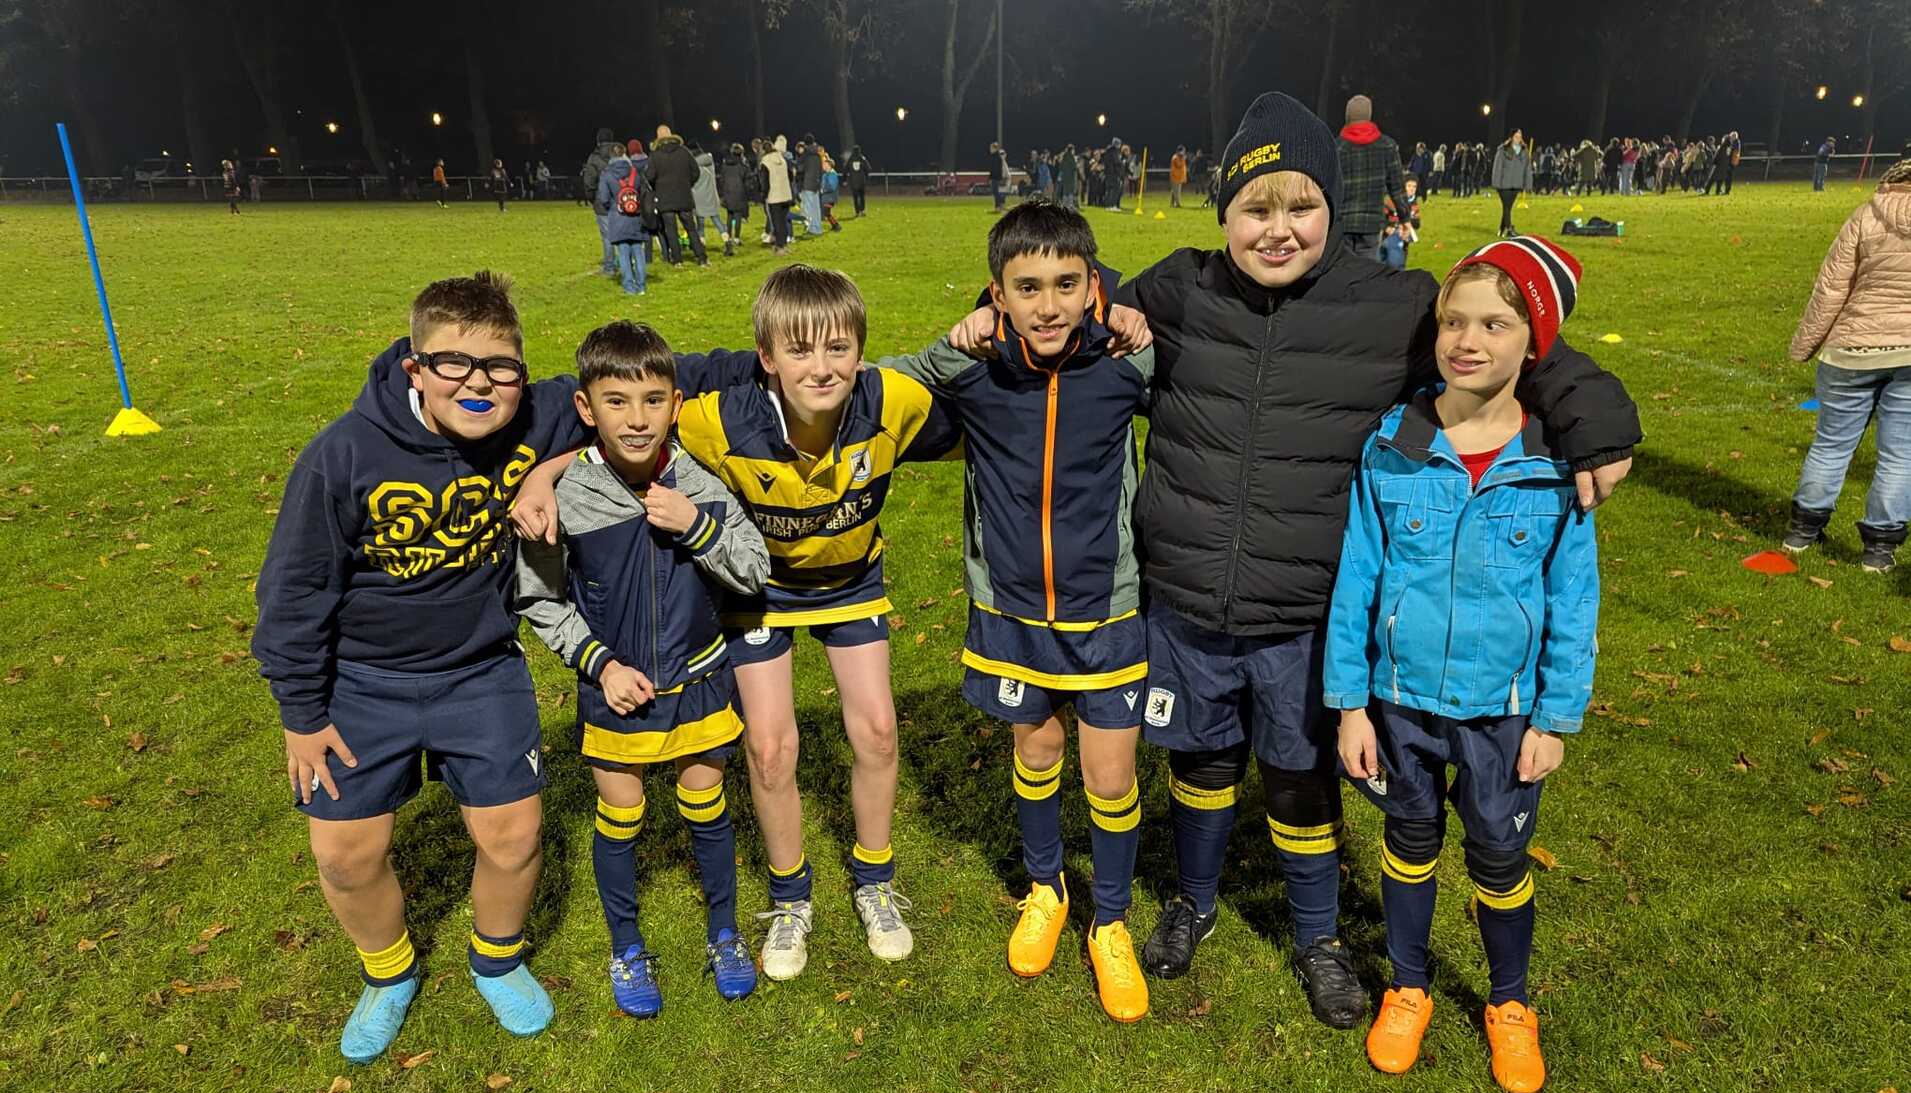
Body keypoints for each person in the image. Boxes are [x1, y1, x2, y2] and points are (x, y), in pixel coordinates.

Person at [1081, 91, 1635, 1023]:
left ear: (1335, 208)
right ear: (1223, 212)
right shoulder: (1181, 289)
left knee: (1299, 777)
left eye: (1300, 205)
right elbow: (1062, 297)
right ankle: (1193, 900)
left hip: (1307, 610)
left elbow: (1505, 337)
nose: (1277, 228)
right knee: (1200, 762)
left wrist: (1594, 411)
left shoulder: (1395, 305)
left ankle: (1317, 936)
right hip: (1186, 596)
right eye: (1255, 207)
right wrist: (988, 310)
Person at [518, 265, 956, 980]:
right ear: (766, 357)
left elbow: (985, 412)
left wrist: (981, 330)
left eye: (839, 348)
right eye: (800, 350)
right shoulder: (716, 417)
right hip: (757, 588)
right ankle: (789, 897)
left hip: (849, 581)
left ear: (862, 351)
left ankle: (874, 881)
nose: (822, 367)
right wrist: (544, 474)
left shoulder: (893, 398)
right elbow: (625, 424)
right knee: (771, 749)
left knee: (878, 730)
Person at [251, 271, 592, 1062]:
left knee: (513, 838)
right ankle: (388, 972)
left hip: (480, 671)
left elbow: (644, 387)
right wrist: (302, 715)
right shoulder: (342, 455)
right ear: (414, 367)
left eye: (499, 366)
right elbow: (292, 595)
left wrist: (545, 471)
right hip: (359, 683)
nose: (478, 383)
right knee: (344, 857)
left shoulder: (538, 414)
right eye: (453, 364)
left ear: (521, 370)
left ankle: (496, 960)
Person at [1325, 235, 1597, 1093]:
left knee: (1497, 860)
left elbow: (1573, 598)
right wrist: (1350, 704)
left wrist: (1555, 718)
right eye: (1452, 321)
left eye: (1493, 324)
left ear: (1533, 343)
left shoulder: (1555, 463)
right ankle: (1407, 986)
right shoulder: (1391, 444)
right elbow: (1356, 577)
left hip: (1504, 714)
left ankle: (1508, 1001)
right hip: (1398, 705)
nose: (1466, 341)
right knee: (1408, 844)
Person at [889, 203, 1157, 1022]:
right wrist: (955, 340)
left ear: (1092, 286)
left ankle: (1110, 921)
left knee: (1109, 775)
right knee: (1036, 752)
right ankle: (1046, 890)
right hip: (1010, 609)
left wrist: (1133, 323)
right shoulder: (973, 369)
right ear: (997, 293)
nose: (1047, 305)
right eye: (1027, 287)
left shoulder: (1127, 363)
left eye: (1065, 284)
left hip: (1107, 607)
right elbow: (882, 385)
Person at [516, 320, 769, 1015]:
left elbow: (754, 569)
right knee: (621, 814)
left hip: (700, 681)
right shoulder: (565, 497)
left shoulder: (698, 485)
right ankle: (626, 947)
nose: (637, 419)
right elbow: (539, 598)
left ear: (675, 405)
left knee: (706, 807)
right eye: (617, 402)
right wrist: (600, 666)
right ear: (585, 408)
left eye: (653, 400)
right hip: (615, 690)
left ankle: (724, 933)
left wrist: (697, 526)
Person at [1782, 158, 1911, 574]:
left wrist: (1804, 345)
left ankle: (1801, 532)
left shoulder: (1865, 215)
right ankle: (1879, 551)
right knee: (1901, 455)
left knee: (1831, 444)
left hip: (1849, 350)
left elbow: (1830, 288)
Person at [1335, 94, 1409, 261]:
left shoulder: (1337, 147)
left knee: (1342, 270)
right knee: (1367, 271)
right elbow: (1397, 187)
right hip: (1371, 224)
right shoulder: (1387, 146)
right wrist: (1405, 218)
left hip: (1342, 224)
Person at [595, 141, 653, 296]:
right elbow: (642, 192)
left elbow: (603, 198)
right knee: (638, 251)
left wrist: (613, 207)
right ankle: (641, 286)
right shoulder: (634, 172)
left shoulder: (607, 174)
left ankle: (629, 286)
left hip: (618, 216)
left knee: (623, 252)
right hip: (635, 216)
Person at [649, 127, 707, 268]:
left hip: (665, 198)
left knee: (671, 230)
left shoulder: (655, 155)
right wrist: (687, 184)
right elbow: (695, 171)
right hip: (684, 195)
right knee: (691, 228)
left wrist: (657, 187)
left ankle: (677, 260)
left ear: (658, 137)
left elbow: (650, 176)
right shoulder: (684, 151)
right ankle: (701, 258)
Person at [583, 129, 620, 275]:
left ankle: (610, 267)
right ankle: (626, 264)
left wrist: (592, 198)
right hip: (620, 200)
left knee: (607, 236)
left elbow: (589, 182)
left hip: (602, 201)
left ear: (598, 141)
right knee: (624, 234)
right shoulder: (620, 154)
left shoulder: (594, 158)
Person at [1491, 129, 1533, 237]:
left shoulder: (1524, 151)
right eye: (1516, 136)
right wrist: (1496, 183)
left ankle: (1501, 229)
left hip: (1516, 184)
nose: (1518, 138)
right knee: (1506, 206)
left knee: (1508, 207)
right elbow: (1497, 167)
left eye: (1520, 136)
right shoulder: (1503, 150)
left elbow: (1527, 169)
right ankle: (1509, 229)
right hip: (1503, 184)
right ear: (1511, 137)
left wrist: (1528, 184)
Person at [762, 133, 795, 253]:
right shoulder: (782, 159)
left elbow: (765, 181)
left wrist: (764, 195)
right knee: (783, 221)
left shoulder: (765, 161)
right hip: (786, 194)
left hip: (774, 196)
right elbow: (791, 176)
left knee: (777, 223)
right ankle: (784, 245)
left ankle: (780, 247)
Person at [718, 142, 752, 256]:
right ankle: (736, 238)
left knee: (729, 215)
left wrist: (723, 192)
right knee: (737, 216)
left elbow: (721, 179)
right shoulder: (743, 166)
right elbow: (747, 181)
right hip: (739, 193)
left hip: (727, 192)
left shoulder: (725, 165)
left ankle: (728, 237)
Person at [691, 142, 725, 250]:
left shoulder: (692, 165)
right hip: (711, 195)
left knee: (700, 224)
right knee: (717, 220)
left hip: (698, 197)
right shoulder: (709, 160)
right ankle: (727, 240)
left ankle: (702, 244)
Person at [798, 134, 826, 235]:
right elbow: (821, 170)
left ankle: (812, 229)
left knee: (809, 209)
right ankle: (817, 228)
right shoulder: (818, 155)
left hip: (807, 183)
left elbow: (800, 168)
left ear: (805, 143)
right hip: (816, 183)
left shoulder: (805, 154)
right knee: (816, 208)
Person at [845, 144, 870, 216]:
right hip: (861, 181)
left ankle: (857, 212)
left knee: (855, 197)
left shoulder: (850, 159)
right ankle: (862, 210)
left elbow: (845, 170)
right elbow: (868, 168)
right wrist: (866, 176)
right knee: (862, 196)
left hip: (853, 182)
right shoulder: (862, 158)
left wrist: (845, 179)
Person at [988, 141, 1010, 213]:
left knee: (996, 193)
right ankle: (1000, 207)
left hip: (996, 178)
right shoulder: (997, 157)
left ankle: (998, 207)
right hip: (997, 178)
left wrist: (991, 177)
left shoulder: (996, 157)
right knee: (997, 193)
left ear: (994, 148)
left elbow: (994, 169)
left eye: (991, 148)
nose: (990, 149)